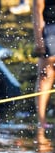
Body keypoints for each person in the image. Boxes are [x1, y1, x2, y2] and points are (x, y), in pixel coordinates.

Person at [32, 0, 55, 129]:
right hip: (50, 28)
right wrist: (39, 40)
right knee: (46, 75)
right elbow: (37, 11)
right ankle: (42, 122)